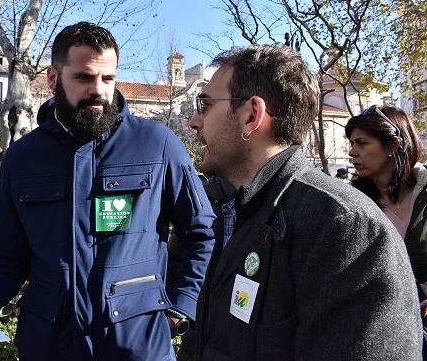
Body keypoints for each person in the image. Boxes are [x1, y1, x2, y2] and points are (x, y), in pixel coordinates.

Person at [0, 22, 215, 360]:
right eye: (84, 77)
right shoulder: (20, 161)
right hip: (50, 346)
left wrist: (180, 310)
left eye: (108, 79)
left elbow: (202, 233)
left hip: (139, 348)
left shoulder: (158, 145)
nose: (99, 90)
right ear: (53, 78)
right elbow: (7, 261)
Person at [180, 44, 422, 360]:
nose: (194, 122)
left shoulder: (346, 227)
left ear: (252, 114)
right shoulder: (240, 210)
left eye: (206, 105)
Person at [345, 105, 427, 354]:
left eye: (362, 143)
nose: (351, 152)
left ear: (392, 145)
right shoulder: (351, 203)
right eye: (351, 143)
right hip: (379, 331)